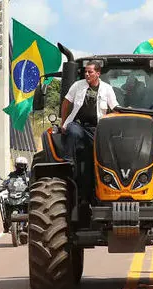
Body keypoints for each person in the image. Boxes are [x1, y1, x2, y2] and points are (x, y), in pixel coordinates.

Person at [61, 61, 119, 201]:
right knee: (73, 131)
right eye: (85, 72)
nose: (87, 74)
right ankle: (68, 163)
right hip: (79, 125)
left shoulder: (107, 89)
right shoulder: (77, 85)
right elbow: (66, 103)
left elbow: (115, 108)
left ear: (98, 74)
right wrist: (64, 122)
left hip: (98, 129)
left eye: (90, 72)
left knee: (96, 159)